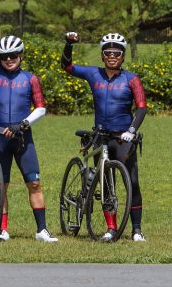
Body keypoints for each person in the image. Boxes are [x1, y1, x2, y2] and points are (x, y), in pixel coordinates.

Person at [0, 0, 57, 243]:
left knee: (35, 182)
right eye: (5, 56)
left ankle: (42, 230)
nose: (9, 60)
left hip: (22, 136)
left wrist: (23, 124)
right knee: (1, 186)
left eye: (14, 56)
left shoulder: (30, 78)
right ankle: (3, 229)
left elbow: (41, 108)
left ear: (21, 56)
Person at [61, 31, 147, 242]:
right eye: (108, 52)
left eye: (116, 53)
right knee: (107, 183)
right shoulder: (93, 74)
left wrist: (131, 131)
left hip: (123, 137)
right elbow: (67, 67)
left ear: (123, 56)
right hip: (101, 136)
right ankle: (111, 227)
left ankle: (136, 230)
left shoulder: (131, 79)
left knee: (132, 182)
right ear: (102, 55)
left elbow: (142, 108)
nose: (112, 56)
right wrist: (68, 45)